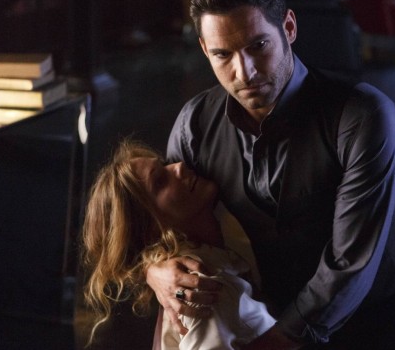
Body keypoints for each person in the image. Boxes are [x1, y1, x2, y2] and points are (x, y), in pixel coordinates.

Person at [145, 0, 395, 349]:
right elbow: (161, 219)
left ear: (288, 28)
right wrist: (154, 270)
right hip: (269, 310)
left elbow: (350, 264)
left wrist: (277, 341)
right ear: (204, 49)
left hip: (382, 313)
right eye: (222, 55)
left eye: (258, 46)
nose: (244, 73)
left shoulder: (362, 116)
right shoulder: (195, 124)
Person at [81, 139, 276, 350]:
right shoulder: (198, 289)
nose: (180, 166)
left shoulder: (219, 242)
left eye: (165, 164)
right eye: (160, 181)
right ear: (150, 230)